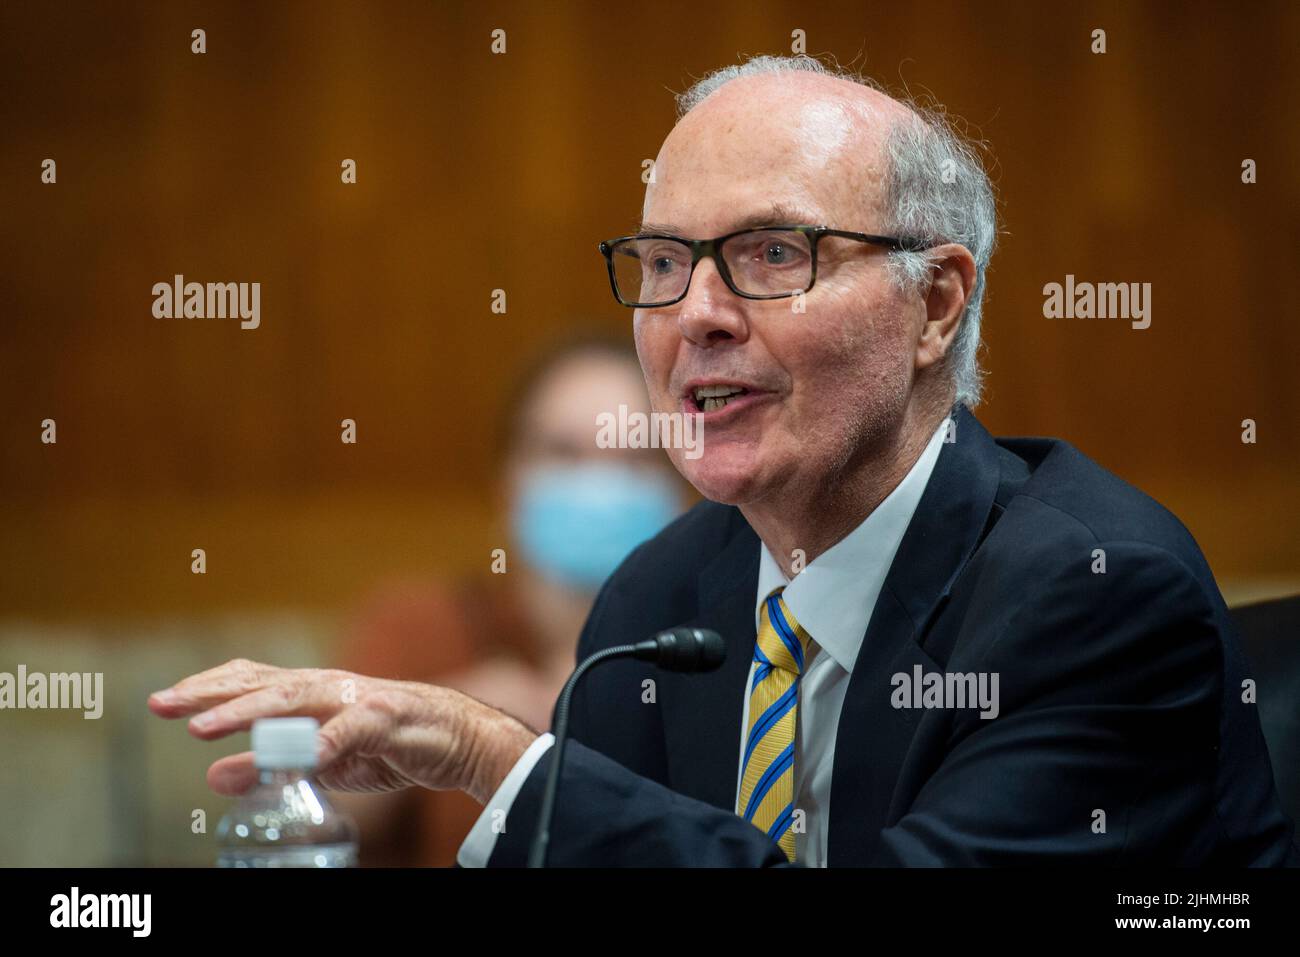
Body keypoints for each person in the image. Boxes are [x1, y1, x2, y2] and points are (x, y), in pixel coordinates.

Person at [149, 54, 1298, 866]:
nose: (692, 313)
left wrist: (492, 760)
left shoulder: (1096, 595)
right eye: (661, 262)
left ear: (935, 303)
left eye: (768, 253)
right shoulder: (661, 596)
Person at [331, 335, 684, 865]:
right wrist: (443, 721)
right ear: (509, 479)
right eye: (564, 454)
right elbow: (310, 814)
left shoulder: (714, 644)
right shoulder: (420, 626)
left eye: (633, 458)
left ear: (681, 480)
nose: (597, 484)